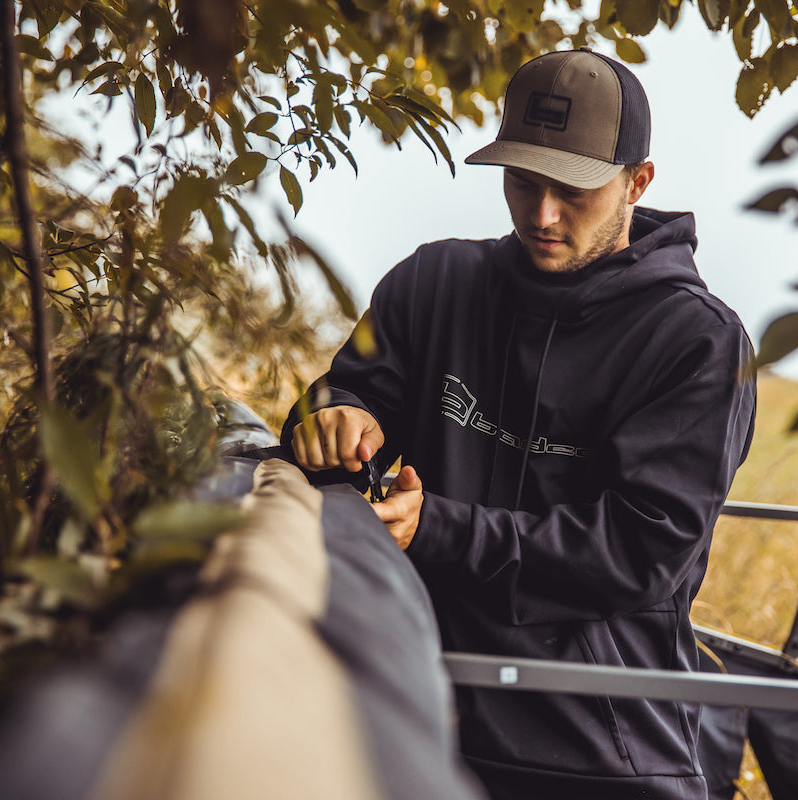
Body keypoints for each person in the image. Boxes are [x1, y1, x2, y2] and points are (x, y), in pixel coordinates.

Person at [282, 47, 757, 800]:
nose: (542, 215)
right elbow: (346, 398)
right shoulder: (430, 283)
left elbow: (637, 552)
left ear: (638, 181)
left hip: (599, 754)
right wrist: (335, 417)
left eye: (574, 192)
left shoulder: (699, 343)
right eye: (522, 183)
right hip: (415, 711)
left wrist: (435, 527)